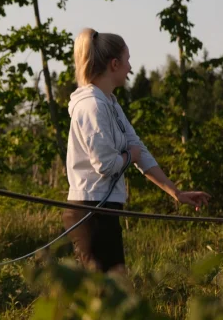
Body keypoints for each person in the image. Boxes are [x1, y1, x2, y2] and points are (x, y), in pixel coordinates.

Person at [62, 28, 210, 280]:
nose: (130, 67)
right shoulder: (91, 106)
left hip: (105, 210)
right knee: (105, 294)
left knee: (107, 294)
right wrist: (129, 155)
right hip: (91, 212)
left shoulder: (110, 102)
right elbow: (106, 165)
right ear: (114, 64)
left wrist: (176, 193)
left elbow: (138, 148)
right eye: (127, 60)